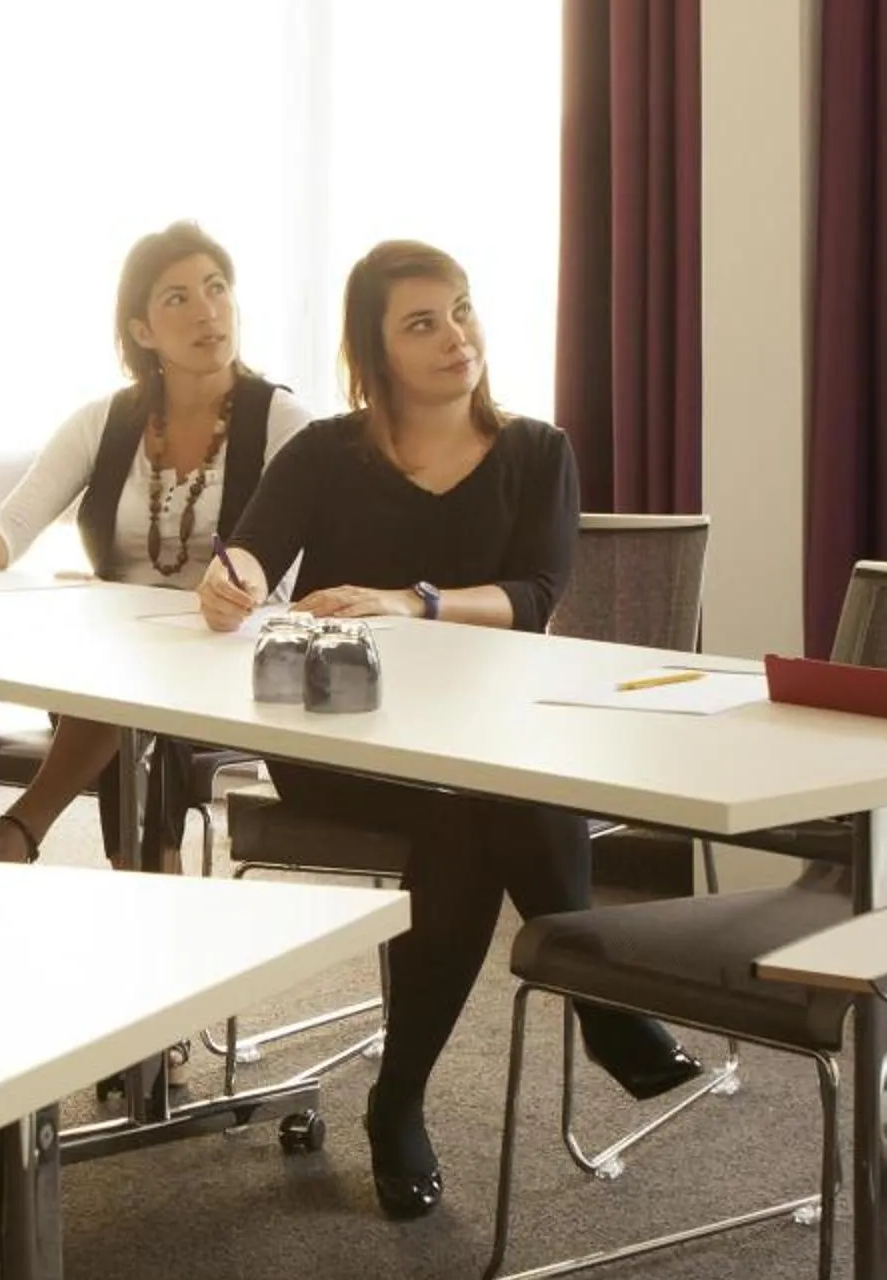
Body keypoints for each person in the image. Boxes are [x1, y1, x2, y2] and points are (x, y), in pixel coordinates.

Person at [197, 239, 697, 1218]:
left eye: (461, 310)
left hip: (481, 737)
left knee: (472, 807)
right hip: (343, 739)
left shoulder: (537, 452)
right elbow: (252, 552)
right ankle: (599, 997)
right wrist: (238, 581)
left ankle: (400, 1100)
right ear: (375, 351)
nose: (455, 335)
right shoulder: (326, 453)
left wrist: (409, 601)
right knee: (489, 796)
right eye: (422, 322)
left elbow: (536, 592)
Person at [0, 221, 306, 866]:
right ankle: (141, 885)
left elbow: (282, 573)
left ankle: (23, 830)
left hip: (234, 653)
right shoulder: (106, 420)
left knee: (128, 693)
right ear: (141, 331)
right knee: (125, 686)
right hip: (111, 669)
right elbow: (11, 526)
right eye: (177, 297)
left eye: (216, 288)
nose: (208, 310)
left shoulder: (285, 422)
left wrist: (234, 594)